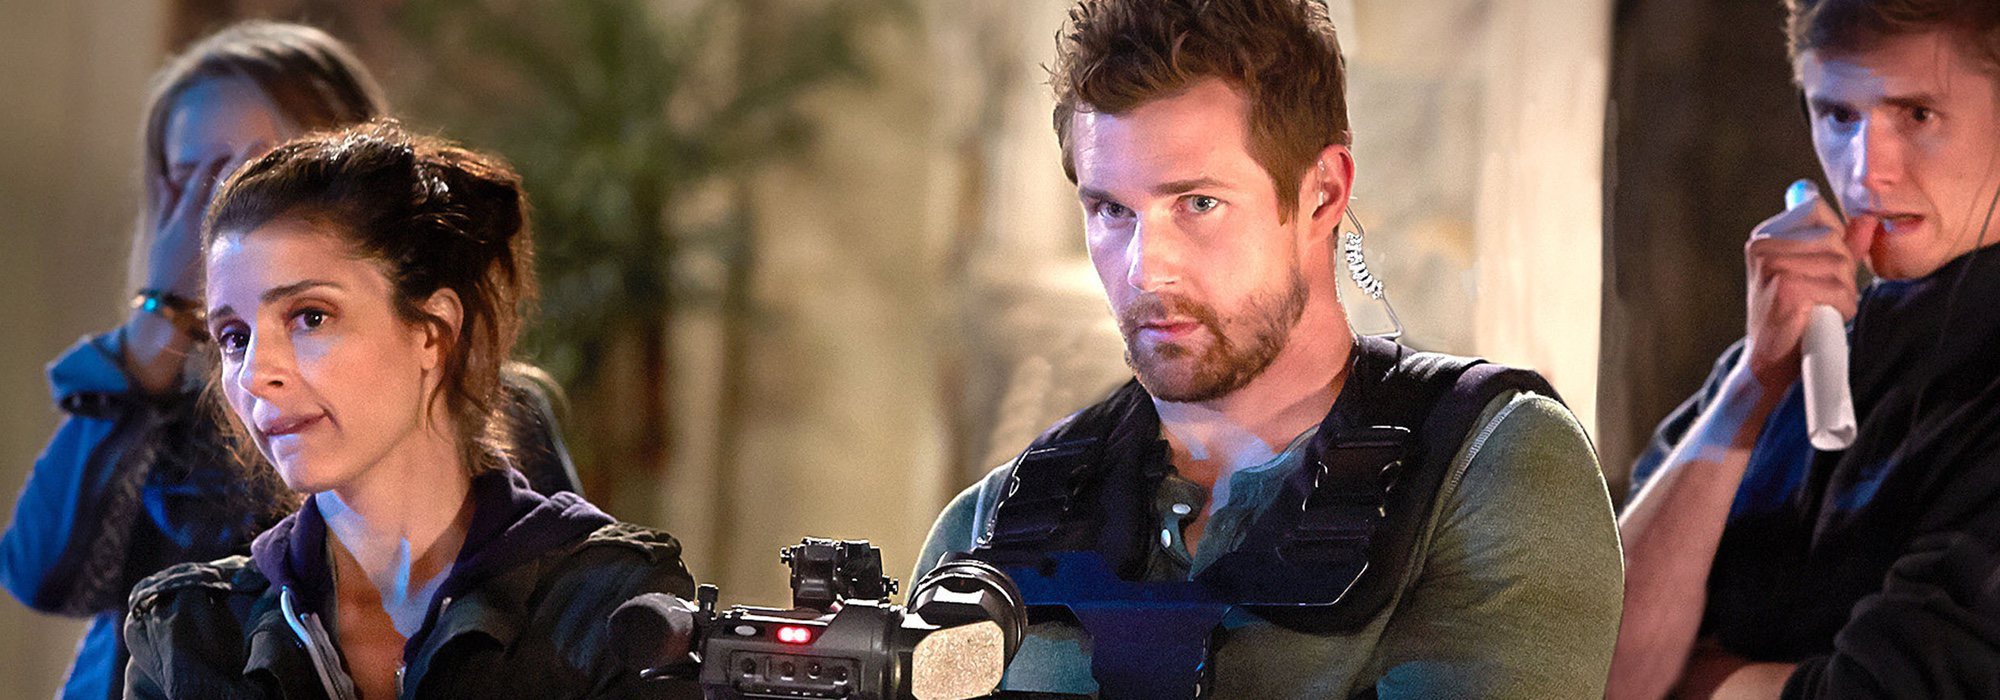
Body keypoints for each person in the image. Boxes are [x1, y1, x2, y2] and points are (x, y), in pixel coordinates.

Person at [911, 0, 1624, 697]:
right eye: (1112, 210)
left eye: (1198, 203)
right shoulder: (993, 527)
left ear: (1323, 194)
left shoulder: (1488, 464)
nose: (1146, 269)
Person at [0, 22, 582, 699]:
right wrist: (158, 315)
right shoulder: (170, 406)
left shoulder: (485, 416)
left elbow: (556, 607)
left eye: (248, 166)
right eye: (188, 179)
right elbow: (43, 575)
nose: (220, 202)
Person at [121, 120, 693, 698]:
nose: (254, 373)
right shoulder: (189, 636)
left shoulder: (613, 613)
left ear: (432, 332)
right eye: (235, 337)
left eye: (310, 317)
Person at [1611, 1, 2000, 697]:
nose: (1866, 173)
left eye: (1918, 115)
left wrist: (1691, 677)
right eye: (1839, 116)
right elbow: (1586, 663)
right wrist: (1750, 388)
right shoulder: (1793, 347)